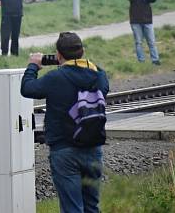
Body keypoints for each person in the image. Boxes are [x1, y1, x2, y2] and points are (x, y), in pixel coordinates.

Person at [21, 32, 109, 213]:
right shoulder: (98, 76)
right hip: (93, 149)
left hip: (64, 150)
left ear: (59, 55)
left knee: (72, 208)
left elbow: (27, 88)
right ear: (82, 52)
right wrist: (82, 61)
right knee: (92, 206)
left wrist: (33, 66)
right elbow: (103, 82)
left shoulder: (56, 78)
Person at [126, 0, 160, 65]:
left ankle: (155, 60)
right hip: (136, 21)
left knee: (151, 41)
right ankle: (141, 61)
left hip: (147, 20)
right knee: (138, 42)